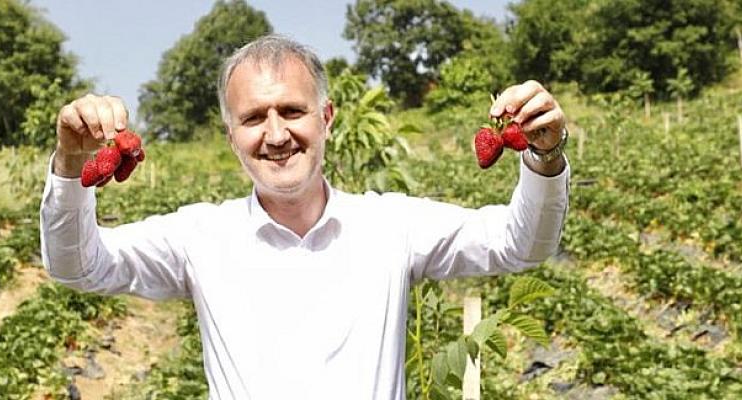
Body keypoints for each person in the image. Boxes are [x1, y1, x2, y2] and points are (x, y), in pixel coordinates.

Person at [40, 34, 569, 399]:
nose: (276, 135)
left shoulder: (391, 227)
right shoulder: (199, 238)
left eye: (292, 111)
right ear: (230, 137)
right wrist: (69, 163)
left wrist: (545, 155)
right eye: (253, 118)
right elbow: (79, 267)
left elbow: (520, 244)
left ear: (327, 118)